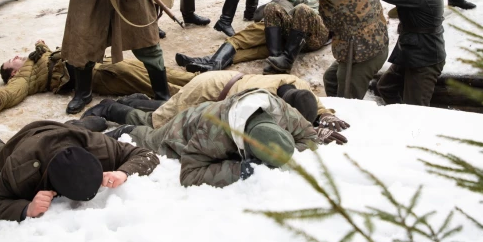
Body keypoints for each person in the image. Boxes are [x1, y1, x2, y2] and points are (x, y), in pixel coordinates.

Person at [100, 89, 326, 188]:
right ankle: (113, 115)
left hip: (219, 110)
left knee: (153, 118)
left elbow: (309, 136)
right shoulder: (212, 136)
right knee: (148, 133)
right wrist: (241, 170)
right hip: (184, 128)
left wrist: (284, 153)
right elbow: (189, 175)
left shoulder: (281, 111)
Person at [0, 120, 159, 222]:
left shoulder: (98, 146)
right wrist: (27, 208)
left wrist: (123, 172)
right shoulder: (21, 170)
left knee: (76, 127)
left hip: (66, 130)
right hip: (25, 140)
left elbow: (147, 155)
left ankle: (85, 121)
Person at [84, 73, 349, 137]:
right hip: (207, 90)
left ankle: (134, 100)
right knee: (159, 122)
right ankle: (109, 108)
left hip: (222, 81)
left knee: (173, 107)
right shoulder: (259, 101)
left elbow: (312, 104)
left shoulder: (297, 85)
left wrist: (322, 118)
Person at [287, 0, 389, 99]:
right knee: (331, 79)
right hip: (370, 45)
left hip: (360, 53)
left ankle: (345, 121)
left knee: (348, 102)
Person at [0, 40, 195, 114]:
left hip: (102, 62)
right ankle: (196, 95)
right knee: (143, 80)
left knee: (153, 69)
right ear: (13, 73)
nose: (15, 57)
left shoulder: (35, 58)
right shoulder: (24, 75)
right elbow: (14, 89)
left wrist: (41, 46)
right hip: (98, 74)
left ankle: (206, 80)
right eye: (10, 61)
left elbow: (50, 58)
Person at [177, 0, 328, 75]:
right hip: (286, 28)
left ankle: (211, 62)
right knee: (254, 50)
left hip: (311, 31)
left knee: (245, 37)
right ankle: (209, 62)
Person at [375, 0, 445, 106]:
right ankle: (400, 121)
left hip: (425, 57)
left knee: (415, 107)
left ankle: (413, 128)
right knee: (387, 87)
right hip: (411, 51)